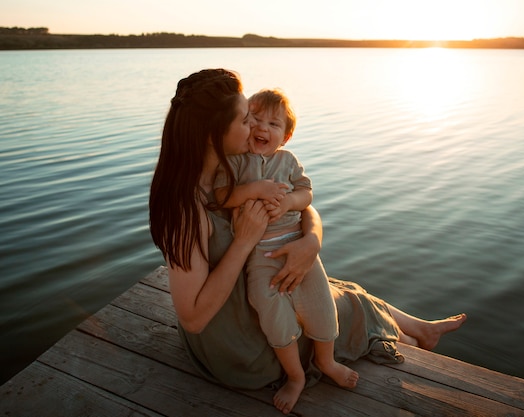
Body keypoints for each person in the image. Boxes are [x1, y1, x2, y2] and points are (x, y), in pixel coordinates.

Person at [149, 68, 466, 415]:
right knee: (346, 305)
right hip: (239, 347)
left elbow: (302, 205)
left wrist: (311, 241)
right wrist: (244, 242)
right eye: (245, 120)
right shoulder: (186, 209)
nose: (254, 127)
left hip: (252, 293)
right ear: (214, 133)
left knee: (335, 285)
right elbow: (193, 318)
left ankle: (419, 330)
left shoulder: (237, 167)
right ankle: (410, 342)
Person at [214, 88, 359, 411]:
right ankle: (296, 376)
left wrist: (290, 202)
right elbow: (221, 196)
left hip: (294, 239)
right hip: (259, 254)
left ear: (287, 135)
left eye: (273, 124)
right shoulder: (234, 163)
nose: (263, 129)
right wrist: (254, 190)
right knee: (269, 308)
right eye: (255, 120)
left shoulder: (288, 161)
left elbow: (307, 194)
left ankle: (327, 361)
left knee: (321, 303)